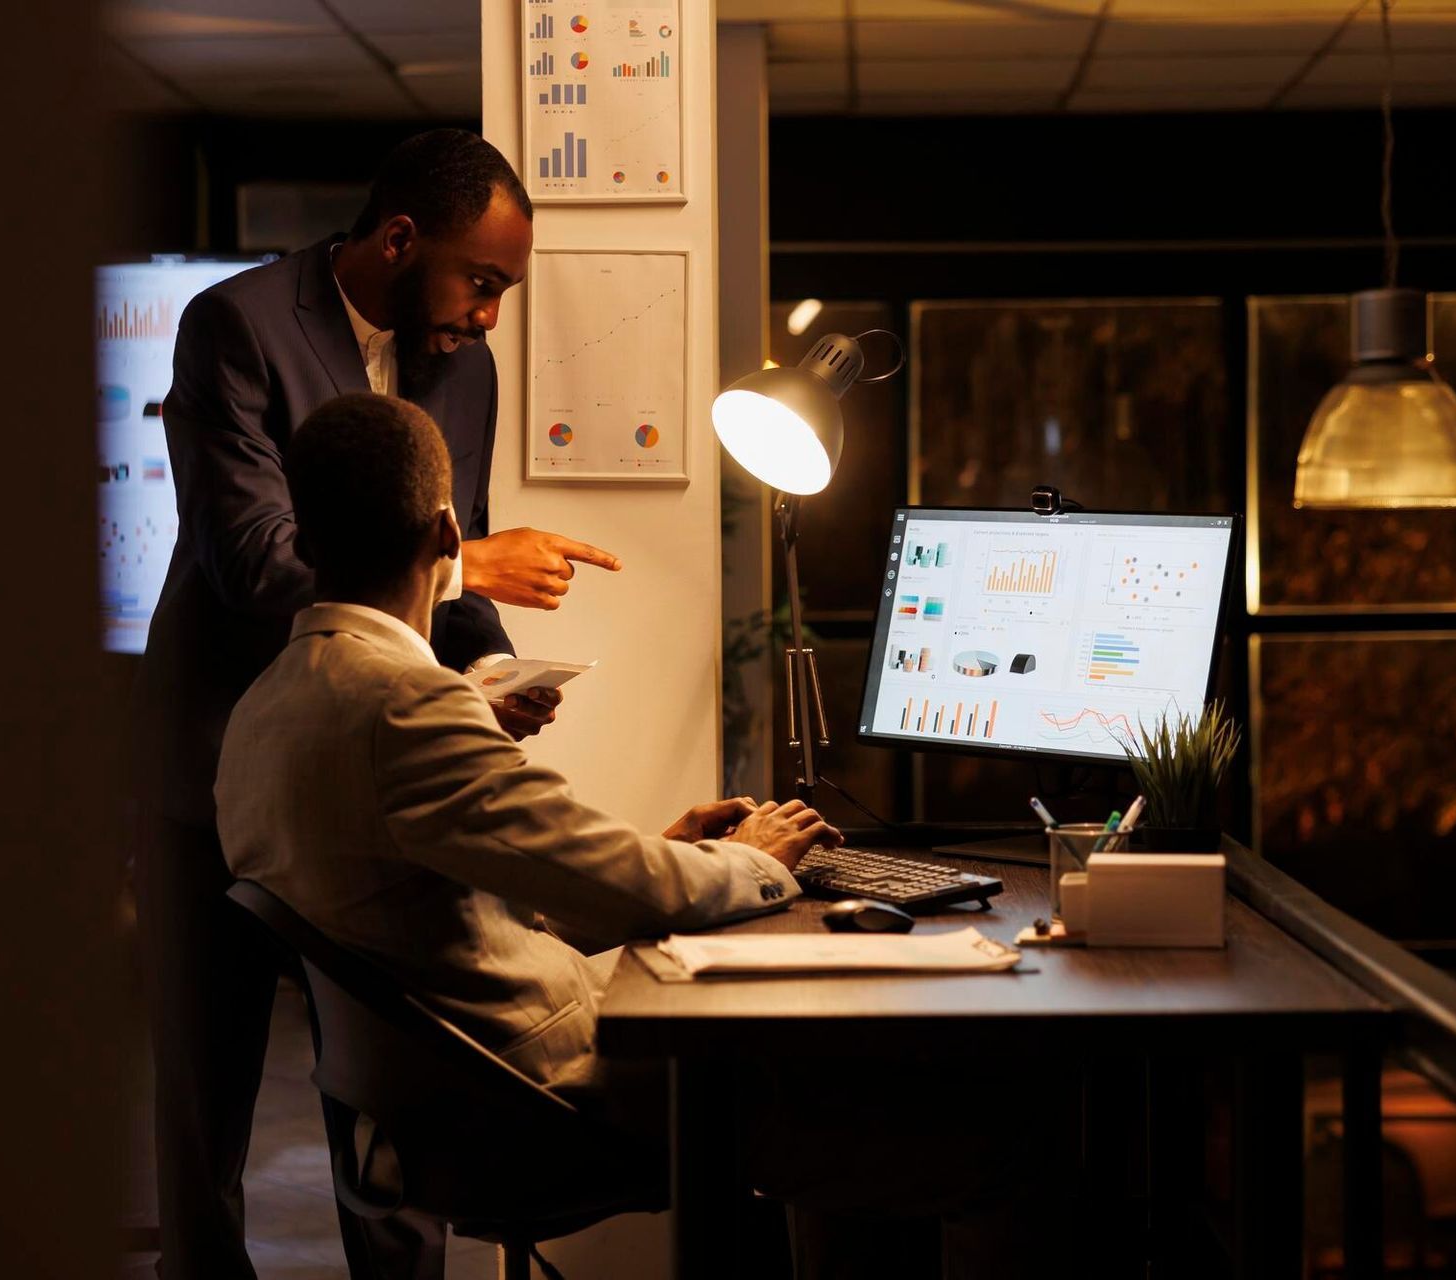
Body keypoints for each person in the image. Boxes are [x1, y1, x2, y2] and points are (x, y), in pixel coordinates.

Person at [219, 395, 1063, 1280]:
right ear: (446, 534)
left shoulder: (262, 711)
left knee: (835, 1090)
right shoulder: (406, 701)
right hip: (544, 1104)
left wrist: (677, 850)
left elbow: (446, 922)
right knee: (1007, 1142)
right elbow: (634, 889)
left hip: (430, 1108)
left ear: (306, 538)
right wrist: (754, 858)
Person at [129, 129, 619, 1279]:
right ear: (400, 240)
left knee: (392, 1094)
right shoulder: (237, 326)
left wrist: (491, 678)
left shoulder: (465, 368)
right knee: (208, 1104)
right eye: (483, 283)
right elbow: (255, 560)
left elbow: (447, 553)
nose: (491, 315)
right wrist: (476, 569)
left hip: (375, 781)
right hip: (215, 771)